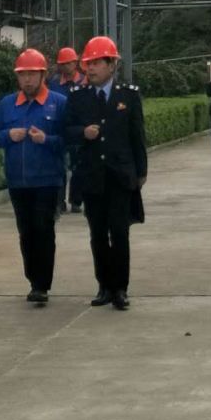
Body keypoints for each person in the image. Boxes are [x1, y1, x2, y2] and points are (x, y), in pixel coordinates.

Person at [64, 36, 147, 311]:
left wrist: (141, 171)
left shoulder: (128, 95)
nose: (90, 68)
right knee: (97, 234)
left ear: (112, 65)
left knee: (120, 233)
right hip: (92, 176)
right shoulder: (78, 96)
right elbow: (66, 130)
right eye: (88, 63)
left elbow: (137, 135)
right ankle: (104, 286)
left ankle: (120, 288)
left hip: (120, 176)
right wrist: (82, 133)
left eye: (97, 63)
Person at [0, 48, 67, 306]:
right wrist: (8, 136)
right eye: (23, 75)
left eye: (32, 74)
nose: (28, 80)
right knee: (26, 232)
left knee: (43, 229)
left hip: (48, 180)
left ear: (43, 75)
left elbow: (69, 140)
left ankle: (42, 285)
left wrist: (46, 140)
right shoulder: (7, 104)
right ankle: (33, 279)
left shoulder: (59, 103)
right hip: (18, 182)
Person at [49, 46, 84, 214]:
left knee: (78, 167)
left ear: (75, 63)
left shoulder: (84, 81)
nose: (66, 66)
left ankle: (76, 201)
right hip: (59, 130)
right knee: (59, 167)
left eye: (69, 63)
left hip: (78, 131)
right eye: (63, 64)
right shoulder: (54, 83)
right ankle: (59, 202)